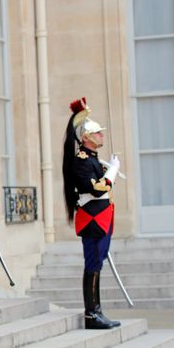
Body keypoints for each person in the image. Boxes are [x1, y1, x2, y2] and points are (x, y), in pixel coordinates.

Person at [61, 97, 121, 329]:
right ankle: (92, 313)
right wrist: (112, 173)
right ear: (85, 137)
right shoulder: (82, 161)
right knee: (93, 264)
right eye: (96, 133)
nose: (101, 136)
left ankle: (96, 310)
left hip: (101, 218)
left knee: (97, 263)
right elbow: (97, 190)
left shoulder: (93, 160)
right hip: (93, 219)